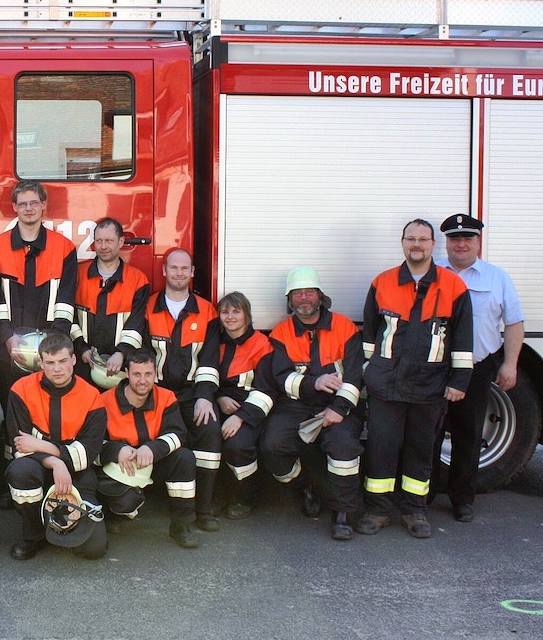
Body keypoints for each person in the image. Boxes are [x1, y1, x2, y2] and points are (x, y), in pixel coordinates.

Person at [358, 219, 474, 538]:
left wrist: (459, 382)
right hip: (386, 385)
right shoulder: (382, 283)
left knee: (420, 451)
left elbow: (463, 339)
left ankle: (414, 511)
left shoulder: (453, 286)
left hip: (430, 386)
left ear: (433, 245)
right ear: (402, 242)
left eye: (424, 239)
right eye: (411, 239)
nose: (417, 245)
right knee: (381, 449)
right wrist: (368, 373)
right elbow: (370, 334)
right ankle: (377, 510)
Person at [260, 267, 364, 540]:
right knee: (272, 446)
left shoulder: (345, 328)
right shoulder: (281, 333)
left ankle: (342, 513)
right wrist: (313, 383)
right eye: (297, 293)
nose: (303, 298)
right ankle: (305, 487)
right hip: (296, 404)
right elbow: (281, 377)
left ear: (320, 295)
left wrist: (338, 409)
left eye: (309, 292)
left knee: (343, 447)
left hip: (339, 405)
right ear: (289, 299)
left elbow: (355, 377)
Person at [435, 214, 524, 522]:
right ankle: (425, 496)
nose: (461, 244)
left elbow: (513, 322)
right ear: (445, 242)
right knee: (427, 433)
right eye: (455, 238)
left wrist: (510, 364)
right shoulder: (432, 275)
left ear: (478, 242)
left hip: (476, 367)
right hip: (436, 368)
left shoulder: (497, 277)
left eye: (467, 238)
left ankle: (462, 499)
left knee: (469, 435)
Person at [0, 180, 77, 464]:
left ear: (44, 206)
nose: (29, 208)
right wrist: (8, 338)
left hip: (50, 351)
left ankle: (44, 468)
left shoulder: (64, 249)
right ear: (15, 208)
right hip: (8, 349)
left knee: (46, 411)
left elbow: (65, 301)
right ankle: (15, 473)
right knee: (11, 409)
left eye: (34, 202)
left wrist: (54, 344)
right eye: (22, 203)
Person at [4, 333, 107, 560]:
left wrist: (42, 446)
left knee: (93, 549)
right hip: (38, 466)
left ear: (73, 360)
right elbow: (20, 446)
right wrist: (55, 461)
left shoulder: (92, 397)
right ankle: (34, 535)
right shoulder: (20, 390)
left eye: (62, 361)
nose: (56, 369)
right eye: (50, 363)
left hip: (78, 472)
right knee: (20, 471)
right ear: (40, 363)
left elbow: (87, 454)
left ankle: (65, 526)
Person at [144, 248, 221, 532]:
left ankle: (203, 509)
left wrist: (204, 396)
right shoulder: (148, 307)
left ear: (192, 273)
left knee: (210, 432)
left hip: (192, 393)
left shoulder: (207, 310)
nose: (178, 273)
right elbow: (141, 353)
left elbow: (210, 359)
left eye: (184, 269)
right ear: (164, 271)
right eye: (173, 268)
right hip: (157, 393)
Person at [97, 348, 199, 548]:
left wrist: (152, 449)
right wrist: (117, 451)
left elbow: (178, 434)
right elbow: (92, 444)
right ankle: (111, 514)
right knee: (121, 500)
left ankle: (181, 525)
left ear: (155, 374)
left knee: (184, 458)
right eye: (136, 374)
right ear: (127, 373)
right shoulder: (104, 401)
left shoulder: (167, 397)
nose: (142, 381)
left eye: (148, 374)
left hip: (154, 461)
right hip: (120, 467)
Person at [201, 292, 275, 520]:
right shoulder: (216, 342)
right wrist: (220, 398)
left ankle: (244, 497)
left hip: (250, 409)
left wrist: (241, 417)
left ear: (247, 315)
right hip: (220, 403)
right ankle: (217, 495)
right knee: (208, 439)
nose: (230, 317)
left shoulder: (261, 344)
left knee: (237, 446)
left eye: (236, 311)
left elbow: (268, 389)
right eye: (225, 312)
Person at [71, 217, 150, 386]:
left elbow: (137, 325)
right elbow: (70, 317)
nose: (103, 246)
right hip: (83, 365)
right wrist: (82, 349)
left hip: (120, 368)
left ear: (121, 241)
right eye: (99, 241)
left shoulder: (137, 279)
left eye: (109, 241)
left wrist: (121, 353)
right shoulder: (78, 274)